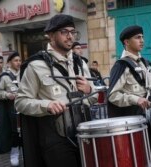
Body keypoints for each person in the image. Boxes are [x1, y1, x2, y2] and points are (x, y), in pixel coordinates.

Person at [15, 14, 94, 167]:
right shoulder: (35, 65)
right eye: (64, 32)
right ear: (51, 36)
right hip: (55, 139)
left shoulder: (80, 63)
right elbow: (20, 102)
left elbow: (93, 97)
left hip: (84, 133)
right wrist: (47, 105)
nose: (70, 36)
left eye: (73, 32)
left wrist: (89, 89)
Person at [107, 25, 151, 167]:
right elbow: (112, 95)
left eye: (142, 37)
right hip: (130, 124)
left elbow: (150, 91)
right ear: (126, 42)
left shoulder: (144, 63)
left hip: (145, 121)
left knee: (150, 158)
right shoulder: (121, 65)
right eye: (137, 37)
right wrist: (136, 99)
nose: (142, 40)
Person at [0, 51, 21, 166]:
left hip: (25, 106)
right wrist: (7, 95)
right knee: (15, 131)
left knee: (25, 131)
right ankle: (14, 152)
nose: (18, 63)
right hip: (12, 107)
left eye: (20, 60)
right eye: (16, 60)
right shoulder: (5, 77)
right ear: (9, 62)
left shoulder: (24, 74)